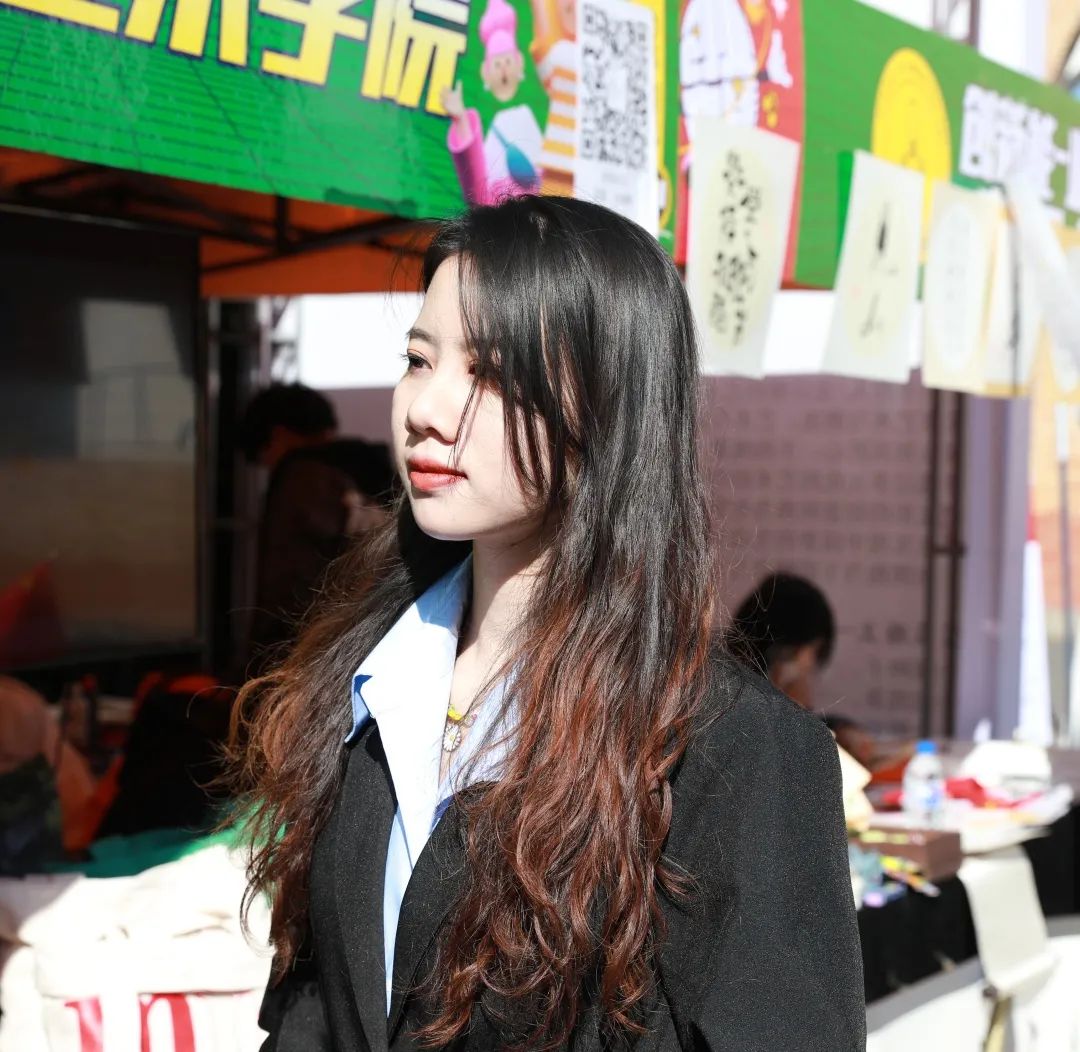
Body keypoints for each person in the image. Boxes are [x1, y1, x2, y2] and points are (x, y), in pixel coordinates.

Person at [232, 197, 864, 1051]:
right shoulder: (368, 683)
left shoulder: (735, 750)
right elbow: (316, 1008)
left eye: (489, 373)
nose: (427, 408)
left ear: (608, 406)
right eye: (419, 360)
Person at [237, 384, 395, 675]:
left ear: (278, 435)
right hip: (368, 641)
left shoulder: (301, 480)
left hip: (309, 656)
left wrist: (259, 664)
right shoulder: (366, 474)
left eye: (263, 454)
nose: (268, 465)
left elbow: (288, 585)